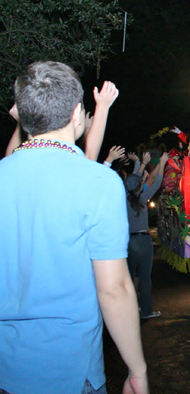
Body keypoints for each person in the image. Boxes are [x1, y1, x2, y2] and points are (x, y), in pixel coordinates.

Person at [0, 61, 148, 394]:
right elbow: (114, 290)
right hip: (71, 370)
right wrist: (137, 369)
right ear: (77, 114)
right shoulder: (98, 182)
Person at [126, 151, 168, 319]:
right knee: (144, 279)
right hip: (143, 241)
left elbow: (133, 180)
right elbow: (157, 182)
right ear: (139, 186)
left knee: (128, 279)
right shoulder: (142, 198)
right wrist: (163, 163)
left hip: (127, 242)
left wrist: (140, 164)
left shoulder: (121, 198)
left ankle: (129, 310)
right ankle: (146, 311)